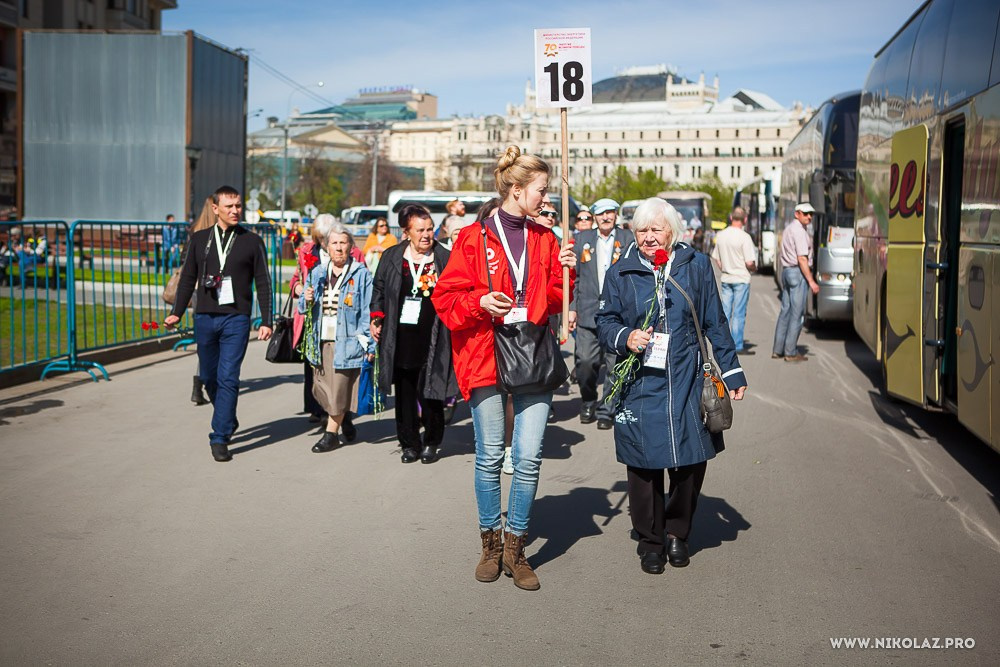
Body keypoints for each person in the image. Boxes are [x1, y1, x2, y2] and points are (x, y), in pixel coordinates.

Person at [433, 146, 576, 591]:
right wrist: (480, 301)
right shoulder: (472, 238)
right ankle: (490, 546)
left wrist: (567, 275)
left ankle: (516, 548)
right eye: (541, 191)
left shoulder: (546, 239)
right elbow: (445, 299)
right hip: (484, 353)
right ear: (516, 189)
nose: (546, 199)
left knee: (528, 457)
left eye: (547, 191)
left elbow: (554, 299)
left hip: (533, 352)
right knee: (491, 455)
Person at [596, 197, 747, 574]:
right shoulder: (620, 272)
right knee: (642, 464)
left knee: (690, 457)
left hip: (687, 376)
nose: (648, 237)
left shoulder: (696, 265)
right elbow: (605, 321)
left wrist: (731, 371)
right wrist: (626, 336)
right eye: (641, 230)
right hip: (640, 381)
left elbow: (714, 320)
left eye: (656, 229)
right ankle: (650, 540)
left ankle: (678, 531)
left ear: (673, 231)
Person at [165, 186, 273, 463]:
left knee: (228, 377)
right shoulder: (200, 239)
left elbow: (263, 282)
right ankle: (228, 417)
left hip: (236, 319)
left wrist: (267, 320)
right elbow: (188, 278)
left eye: (238, 206)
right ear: (215, 209)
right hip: (204, 317)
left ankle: (220, 436)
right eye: (229, 206)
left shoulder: (252, 241)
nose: (235, 211)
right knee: (209, 377)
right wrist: (177, 312)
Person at [370, 204, 456, 464]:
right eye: (420, 230)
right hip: (400, 337)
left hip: (434, 336)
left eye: (430, 229)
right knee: (405, 393)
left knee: (431, 390)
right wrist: (376, 317)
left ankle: (431, 441)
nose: (427, 235)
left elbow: (457, 291)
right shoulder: (392, 256)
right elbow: (379, 289)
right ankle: (409, 443)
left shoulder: (444, 257)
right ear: (406, 232)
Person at [299, 223, 374, 453]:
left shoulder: (361, 274)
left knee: (339, 389)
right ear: (326, 247)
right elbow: (302, 308)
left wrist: (369, 344)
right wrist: (306, 298)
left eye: (343, 243)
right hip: (320, 341)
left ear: (351, 246)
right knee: (321, 388)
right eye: (334, 243)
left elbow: (367, 311)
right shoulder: (317, 273)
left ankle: (330, 435)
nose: (339, 248)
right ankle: (345, 417)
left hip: (347, 341)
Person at [568, 197, 635, 429]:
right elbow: (575, 278)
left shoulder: (628, 239)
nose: (606, 217)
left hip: (618, 313)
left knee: (615, 363)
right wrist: (571, 309)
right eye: (601, 213)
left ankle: (607, 409)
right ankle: (588, 400)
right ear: (594, 217)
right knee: (585, 362)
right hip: (587, 311)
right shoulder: (582, 239)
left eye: (610, 212)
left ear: (616, 215)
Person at [289, 214, 333, 424]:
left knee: (331, 362)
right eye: (321, 238)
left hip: (335, 314)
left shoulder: (347, 250)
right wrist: (299, 288)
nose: (325, 242)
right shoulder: (306, 251)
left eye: (328, 237)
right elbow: (295, 279)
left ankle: (332, 408)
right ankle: (315, 406)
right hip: (311, 315)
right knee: (312, 361)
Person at [180, 198, 216, 406]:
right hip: (214, 291)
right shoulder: (217, 233)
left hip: (195, 291)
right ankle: (201, 382)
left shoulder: (195, 231)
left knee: (205, 340)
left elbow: (185, 262)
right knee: (213, 342)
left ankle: (198, 385)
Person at [772, 203, 819, 362]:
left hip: (787, 271)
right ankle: (790, 352)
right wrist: (811, 281)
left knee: (785, 311)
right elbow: (802, 259)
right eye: (805, 213)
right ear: (797, 213)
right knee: (797, 314)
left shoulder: (789, 229)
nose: (809, 217)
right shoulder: (799, 231)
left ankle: (778, 349)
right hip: (797, 272)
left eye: (811, 214)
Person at [711, 206, 758, 355]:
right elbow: (749, 262)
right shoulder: (745, 237)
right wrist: (754, 268)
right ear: (745, 219)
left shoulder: (721, 235)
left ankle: (722, 342)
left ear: (731, 218)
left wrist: (724, 268)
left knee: (725, 312)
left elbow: (716, 257)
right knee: (738, 313)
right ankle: (737, 345)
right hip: (741, 278)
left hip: (726, 277)